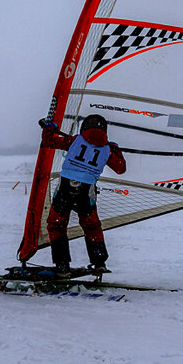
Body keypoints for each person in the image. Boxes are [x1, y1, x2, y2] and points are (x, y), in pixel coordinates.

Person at [38, 114, 127, 275]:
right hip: (86, 193)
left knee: (56, 225)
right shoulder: (106, 150)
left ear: (84, 127)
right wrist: (116, 151)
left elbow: (49, 141)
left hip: (65, 190)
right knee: (92, 227)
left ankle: (62, 265)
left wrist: (48, 129)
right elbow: (121, 168)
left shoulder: (74, 140)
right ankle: (99, 263)